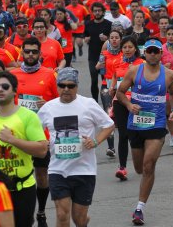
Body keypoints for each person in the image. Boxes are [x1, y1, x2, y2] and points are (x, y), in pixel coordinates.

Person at [38, 67, 115, 227]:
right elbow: (35, 131)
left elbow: (109, 125)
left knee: (79, 218)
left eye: (71, 86)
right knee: (62, 214)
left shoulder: (88, 104)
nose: (66, 89)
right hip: (57, 170)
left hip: (84, 170)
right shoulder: (48, 108)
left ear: (77, 86)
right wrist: (41, 142)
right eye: (62, 85)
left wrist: (95, 142)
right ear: (57, 85)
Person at [116, 38, 173, 225]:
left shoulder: (168, 74)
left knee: (149, 165)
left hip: (157, 124)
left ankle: (139, 208)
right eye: (149, 51)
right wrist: (128, 104)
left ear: (161, 53)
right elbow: (119, 92)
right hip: (135, 124)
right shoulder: (134, 71)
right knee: (138, 168)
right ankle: (142, 189)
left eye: (156, 51)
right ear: (144, 53)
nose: (152, 54)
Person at [0, 71, 48, 227]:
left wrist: (13, 140)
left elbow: (42, 149)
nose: (0, 89)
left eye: (5, 86)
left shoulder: (28, 116)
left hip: (21, 189)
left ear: (14, 91)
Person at [11, 37, 59, 227]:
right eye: (27, 51)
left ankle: (40, 212)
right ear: (22, 53)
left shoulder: (49, 74)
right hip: (17, 135)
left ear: (40, 54)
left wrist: (47, 104)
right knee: (17, 175)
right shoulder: (12, 75)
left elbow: (61, 102)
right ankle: (21, 213)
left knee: (41, 176)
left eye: (34, 51)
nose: (30, 54)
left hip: (41, 136)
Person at [110, 36, 144, 180]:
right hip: (120, 101)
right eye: (125, 47)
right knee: (123, 135)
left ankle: (143, 162)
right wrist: (112, 88)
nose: (127, 50)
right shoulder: (117, 62)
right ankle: (122, 167)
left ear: (135, 48)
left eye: (130, 47)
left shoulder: (142, 63)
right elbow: (114, 77)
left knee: (138, 134)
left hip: (137, 102)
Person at [96, 30, 123, 157]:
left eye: (116, 38)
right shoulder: (104, 53)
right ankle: (111, 147)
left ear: (120, 39)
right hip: (107, 86)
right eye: (112, 38)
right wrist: (100, 65)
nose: (114, 40)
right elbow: (98, 67)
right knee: (108, 115)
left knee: (122, 116)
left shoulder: (125, 53)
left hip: (123, 87)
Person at [84, 2, 112, 102]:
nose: (97, 13)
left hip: (106, 57)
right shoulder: (88, 24)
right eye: (95, 11)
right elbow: (86, 36)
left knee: (106, 81)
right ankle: (95, 102)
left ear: (103, 12)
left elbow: (114, 39)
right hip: (93, 57)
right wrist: (86, 39)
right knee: (94, 80)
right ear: (92, 12)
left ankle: (106, 101)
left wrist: (107, 38)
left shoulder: (109, 24)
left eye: (99, 11)